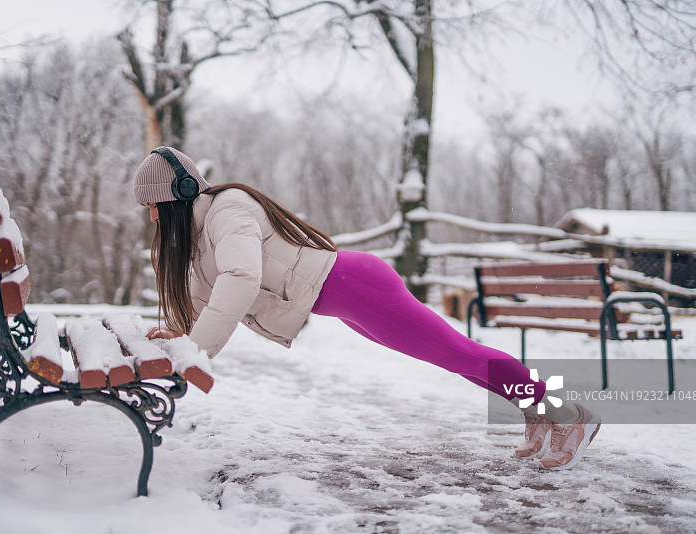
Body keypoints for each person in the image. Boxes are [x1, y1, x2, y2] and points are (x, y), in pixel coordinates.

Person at [134, 146, 601, 471]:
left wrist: (198, 349)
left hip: (357, 286)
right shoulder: (202, 234)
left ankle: (568, 412)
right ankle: (536, 407)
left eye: (153, 205)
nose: (151, 216)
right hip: (347, 298)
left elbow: (240, 278)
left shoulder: (227, 210)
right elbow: (205, 290)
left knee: (458, 352)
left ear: (180, 194)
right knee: (453, 358)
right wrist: (180, 333)